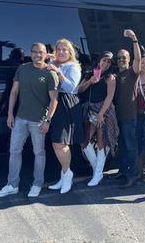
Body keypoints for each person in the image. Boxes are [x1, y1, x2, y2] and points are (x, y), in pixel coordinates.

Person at [0, 42, 59, 198]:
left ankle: (37, 184)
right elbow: (14, 93)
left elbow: (54, 100)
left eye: (41, 52)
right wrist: (10, 114)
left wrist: (48, 120)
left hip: (38, 121)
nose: (38, 55)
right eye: (35, 52)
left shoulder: (50, 73)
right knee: (14, 151)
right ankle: (12, 185)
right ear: (31, 53)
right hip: (20, 119)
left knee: (39, 153)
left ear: (46, 54)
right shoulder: (22, 69)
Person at [46, 39, 83, 194]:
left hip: (67, 103)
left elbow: (70, 87)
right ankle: (63, 176)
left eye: (64, 49)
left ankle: (68, 175)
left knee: (61, 142)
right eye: (59, 49)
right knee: (56, 141)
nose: (61, 52)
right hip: (56, 102)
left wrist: (58, 72)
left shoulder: (73, 66)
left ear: (70, 52)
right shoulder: (56, 64)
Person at [77, 51, 118, 186]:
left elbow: (109, 97)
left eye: (109, 62)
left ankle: (98, 174)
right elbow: (79, 90)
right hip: (90, 110)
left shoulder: (110, 77)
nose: (106, 63)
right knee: (84, 141)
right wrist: (90, 81)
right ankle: (97, 170)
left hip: (104, 111)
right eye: (104, 60)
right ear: (99, 60)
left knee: (102, 142)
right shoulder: (90, 74)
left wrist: (101, 114)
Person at [110, 29, 142, 188]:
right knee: (122, 146)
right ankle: (123, 171)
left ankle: (133, 176)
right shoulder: (116, 76)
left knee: (131, 147)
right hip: (119, 117)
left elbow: (138, 58)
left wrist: (134, 39)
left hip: (130, 117)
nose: (121, 60)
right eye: (119, 58)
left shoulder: (132, 73)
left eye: (124, 57)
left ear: (129, 59)